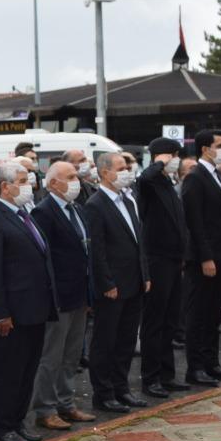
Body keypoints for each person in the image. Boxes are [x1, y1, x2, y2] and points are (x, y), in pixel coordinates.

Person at [0, 162, 57, 441]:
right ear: (5, 187)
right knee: (9, 373)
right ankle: (1, 426)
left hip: (35, 309)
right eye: (23, 181)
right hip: (11, 313)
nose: (30, 185)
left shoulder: (25, 214)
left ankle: (18, 421)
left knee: (27, 371)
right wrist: (1, 314)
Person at [29, 160, 96, 426]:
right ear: (53, 182)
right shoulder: (43, 212)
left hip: (79, 293)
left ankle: (66, 403)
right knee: (52, 356)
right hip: (58, 297)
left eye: (76, 176)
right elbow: (43, 259)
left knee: (71, 355)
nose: (76, 181)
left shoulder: (77, 209)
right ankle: (45, 409)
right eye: (69, 176)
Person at [86, 152, 150, 411]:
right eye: (121, 168)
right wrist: (106, 283)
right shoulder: (95, 204)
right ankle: (104, 393)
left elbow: (139, 242)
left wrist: (145, 275)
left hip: (134, 282)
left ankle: (121, 388)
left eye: (128, 167)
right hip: (112, 286)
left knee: (126, 339)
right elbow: (97, 251)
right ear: (105, 173)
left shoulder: (130, 200)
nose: (127, 172)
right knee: (106, 341)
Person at [135, 138, 189, 397]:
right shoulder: (150, 182)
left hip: (173, 259)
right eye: (173, 155)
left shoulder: (169, 183)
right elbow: (144, 178)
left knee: (170, 320)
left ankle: (167, 374)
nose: (176, 159)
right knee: (154, 322)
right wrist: (159, 163)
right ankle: (151, 377)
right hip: (156, 259)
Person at [182, 129, 221, 385]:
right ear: (205, 149)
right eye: (219, 145)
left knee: (215, 312)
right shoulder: (195, 178)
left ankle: (212, 362)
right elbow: (195, 222)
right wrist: (205, 257)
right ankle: (196, 366)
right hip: (205, 258)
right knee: (199, 313)